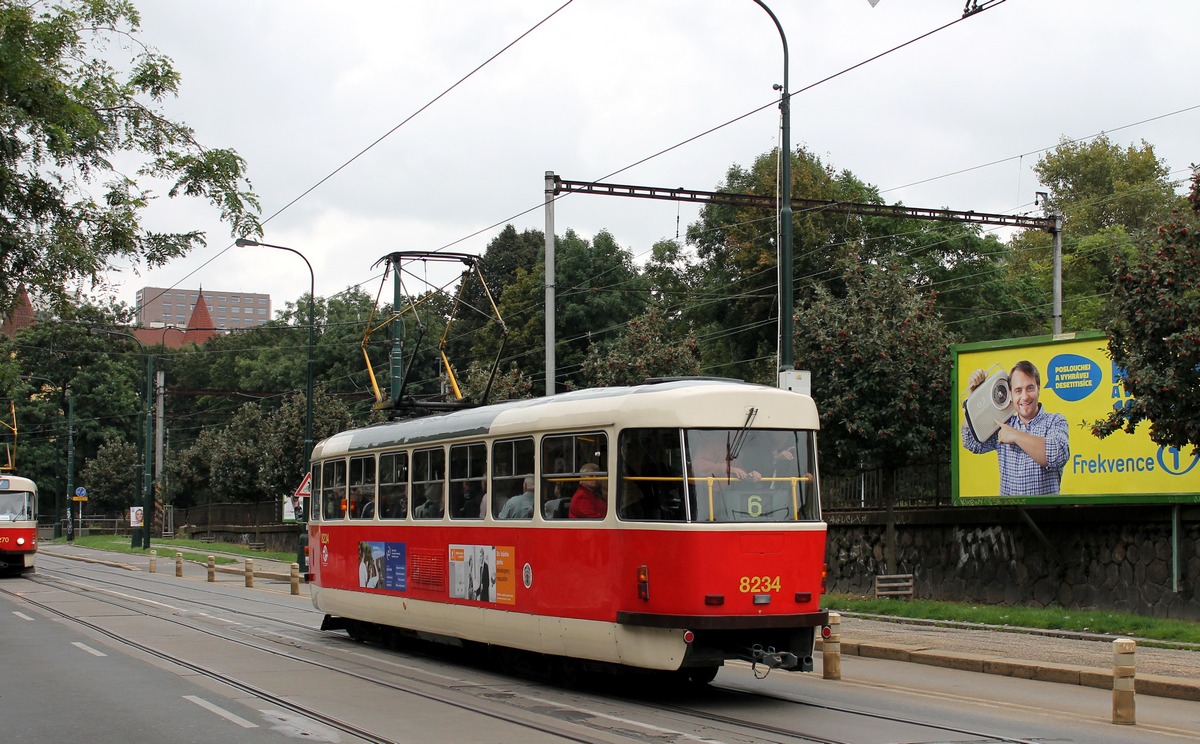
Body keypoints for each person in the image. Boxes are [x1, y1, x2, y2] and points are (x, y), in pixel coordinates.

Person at [961, 360, 1070, 495]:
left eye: (1030, 388)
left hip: (1045, 514)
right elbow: (971, 442)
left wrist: (1015, 436)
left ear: (1039, 389)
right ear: (1011, 394)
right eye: (1018, 391)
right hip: (1010, 514)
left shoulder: (1055, 421)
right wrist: (974, 398)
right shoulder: (1003, 423)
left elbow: (1056, 455)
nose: (1024, 397)